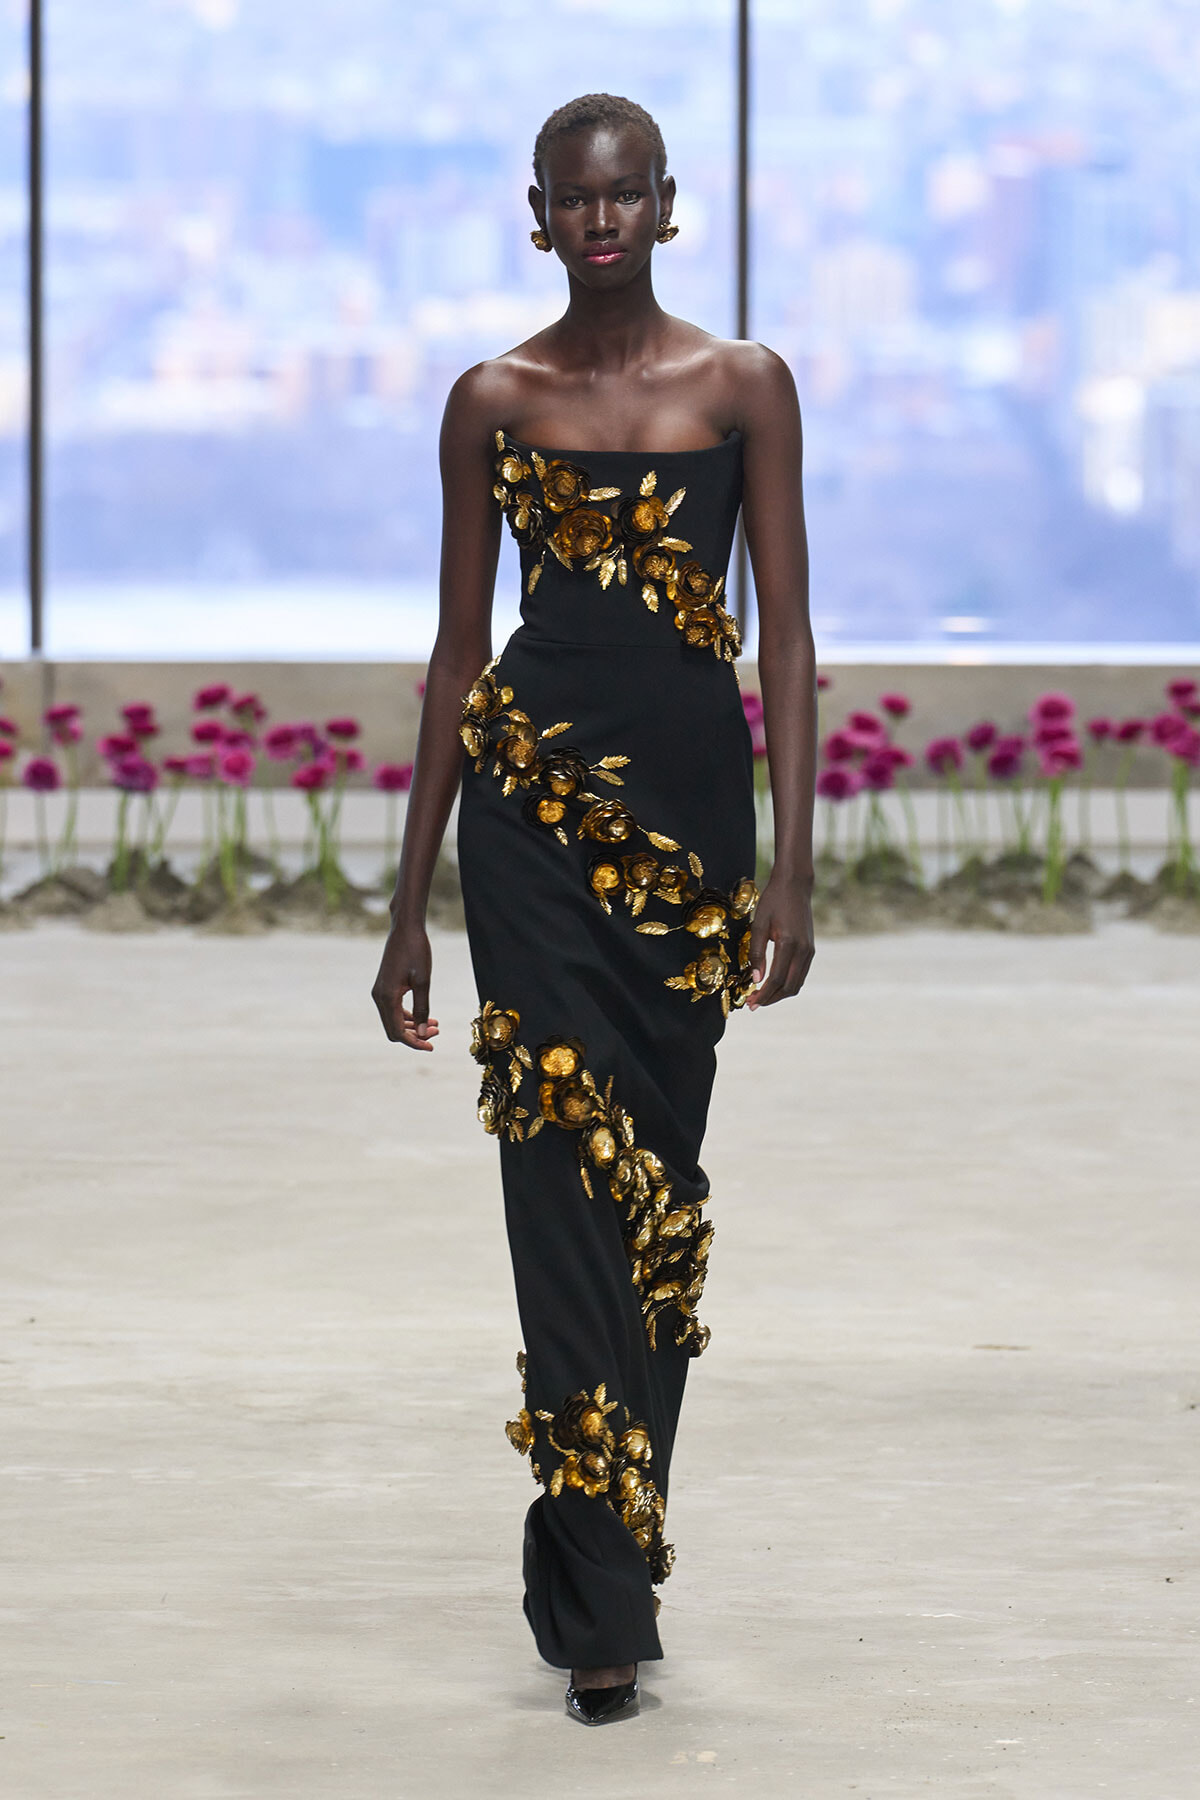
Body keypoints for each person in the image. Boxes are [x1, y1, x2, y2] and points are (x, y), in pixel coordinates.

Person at [372, 92, 816, 1725]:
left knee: (658, 1194)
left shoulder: (745, 386)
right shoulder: (493, 398)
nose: (604, 220)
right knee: (558, 1192)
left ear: (669, 206)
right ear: (537, 214)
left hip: (692, 840)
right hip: (533, 838)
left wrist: (793, 865)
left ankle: (624, 1532)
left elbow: (784, 634)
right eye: (577, 198)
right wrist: (408, 902)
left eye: (628, 196)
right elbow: (454, 655)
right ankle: (598, 1603)